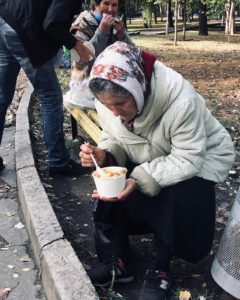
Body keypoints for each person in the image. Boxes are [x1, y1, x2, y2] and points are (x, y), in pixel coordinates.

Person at [79, 42, 235, 300]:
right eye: (108, 106)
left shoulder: (179, 98)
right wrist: (104, 154)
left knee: (177, 190)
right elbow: (113, 135)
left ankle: (160, 268)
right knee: (111, 175)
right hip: (154, 154)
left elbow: (187, 158)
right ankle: (118, 260)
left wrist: (139, 179)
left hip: (201, 157)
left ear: (137, 88)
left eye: (120, 103)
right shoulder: (109, 103)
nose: (116, 113)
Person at [0, 0, 94, 176]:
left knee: (2, 96)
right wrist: (75, 43)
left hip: (4, 22)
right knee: (50, 96)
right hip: (21, 30)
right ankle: (59, 162)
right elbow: (51, 24)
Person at [64, 0, 133, 109]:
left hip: (111, 80)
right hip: (85, 84)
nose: (110, 9)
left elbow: (133, 54)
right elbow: (80, 63)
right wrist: (101, 32)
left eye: (114, 5)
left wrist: (122, 35)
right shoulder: (82, 24)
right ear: (96, 5)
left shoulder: (116, 25)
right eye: (106, 3)